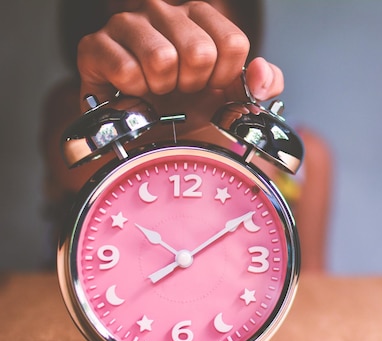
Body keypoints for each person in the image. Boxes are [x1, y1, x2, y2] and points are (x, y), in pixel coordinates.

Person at [40, 0, 332, 272]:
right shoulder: (70, 107)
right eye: (140, 6)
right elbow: (76, 168)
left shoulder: (311, 156)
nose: (163, 12)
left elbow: (311, 280)